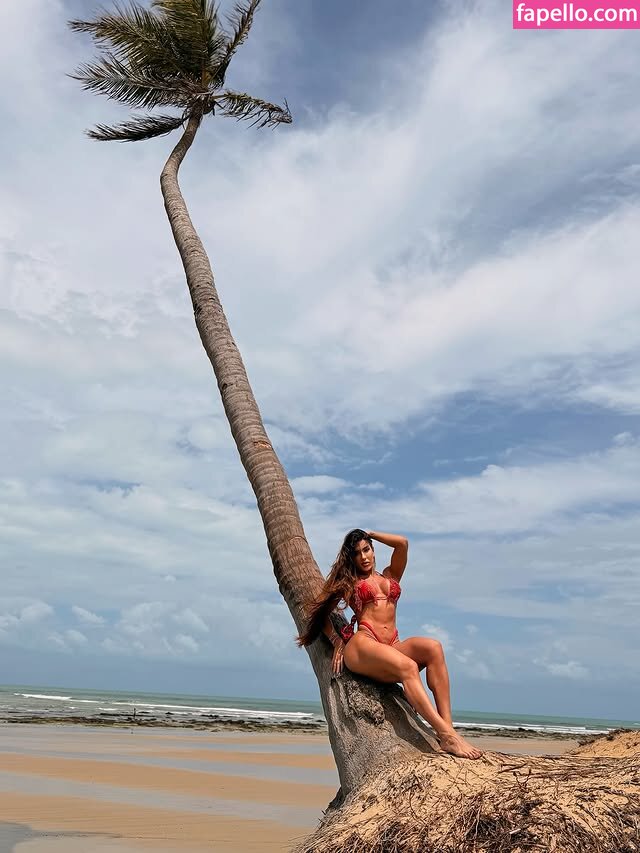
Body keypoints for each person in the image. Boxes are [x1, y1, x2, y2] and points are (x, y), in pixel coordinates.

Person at [298, 528, 482, 760]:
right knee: (409, 667)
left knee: (434, 648)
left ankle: (448, 727)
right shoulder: (349, 582)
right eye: (356, 553)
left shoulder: (390, 576)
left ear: (373, 550)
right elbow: (318, 610)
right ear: (351, 558)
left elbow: (402, 543)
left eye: (366, 550)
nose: (363, 557)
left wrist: (371, 533)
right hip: (364, 643)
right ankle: (447, 737)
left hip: (392, 644)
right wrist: (336, 641)